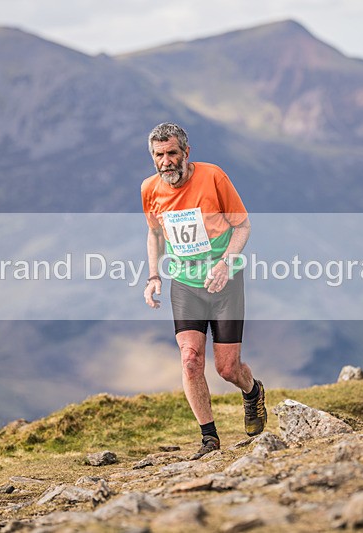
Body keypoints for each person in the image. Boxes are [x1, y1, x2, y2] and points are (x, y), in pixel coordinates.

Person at [141, 122, 266, 459]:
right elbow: (154, 234)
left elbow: (243, 226)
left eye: (171, 153)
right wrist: (153, 275)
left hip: (224, 283)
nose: (166, 161)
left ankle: (252, 392)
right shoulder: (150, 189)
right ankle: (209, 438)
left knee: (228, 369)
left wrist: (226, 263)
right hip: (185, 285)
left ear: (186, 152)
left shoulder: (213, 177)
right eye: (158, 155)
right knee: (191, 360)